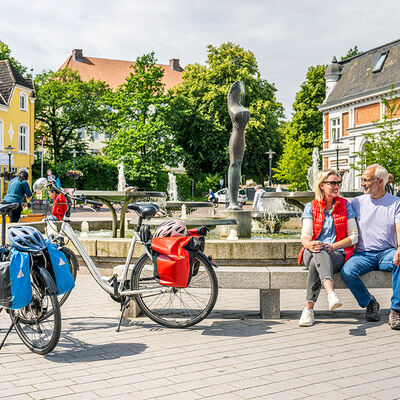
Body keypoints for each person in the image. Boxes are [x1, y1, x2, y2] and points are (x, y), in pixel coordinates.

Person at [340, 164, 400, 329]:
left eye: (366, 180)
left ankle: (396, 309)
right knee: (347, 272)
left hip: (386, 253)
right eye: (362, 180)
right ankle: (370, 302)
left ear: (379, 182)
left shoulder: (396, 203)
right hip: (362, 255)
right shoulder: (357, 202)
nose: (362, 184)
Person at [298, 169, 358, 327]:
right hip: (311, 251)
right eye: (332, 183)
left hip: (337, 254)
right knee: (319, 247)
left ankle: (309, 309)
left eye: (338, 183)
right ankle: (330, 293)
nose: (337, 186)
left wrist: (333, 246)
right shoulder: (311, 206)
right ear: (321, 185)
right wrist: (309, 244)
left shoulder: (346, 205)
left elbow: (354, 236)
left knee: (316, 261)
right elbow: (305, 236)